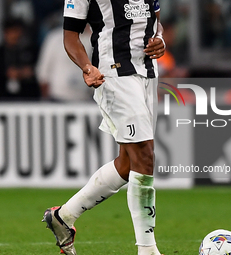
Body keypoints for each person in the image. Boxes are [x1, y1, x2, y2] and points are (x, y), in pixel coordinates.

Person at [42, 0, 166, 255]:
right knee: (144, 154)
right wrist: (87, 67)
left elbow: (155, 22)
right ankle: (148, 250)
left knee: (128, 163)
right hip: (113, 73)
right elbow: (70, 36)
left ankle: (64, 217)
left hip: (147, 73)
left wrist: (160, 40)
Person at [0, 18, 40, 101]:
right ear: (5, 33)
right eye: (12, 31)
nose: (15, 35)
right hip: (1, 98)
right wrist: (7, 74)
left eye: (18, 31)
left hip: (26, 98)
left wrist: (25, 73)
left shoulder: (31, 51)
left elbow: (41, 71)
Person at [36, 25, 93, 102]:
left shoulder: (91, 40)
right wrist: (46, 100)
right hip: (57, 98)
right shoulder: (55, 37)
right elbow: (43, 72)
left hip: (83, 100)